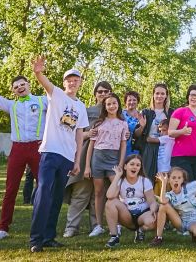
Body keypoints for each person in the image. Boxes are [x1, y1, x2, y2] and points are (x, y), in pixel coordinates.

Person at [0, 70, 49, 241]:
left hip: (38, 147)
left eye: (22, 84)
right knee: (11, 189)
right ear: (13, 91)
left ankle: (45, 227)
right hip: (18, 149)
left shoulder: (43, 100)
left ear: (29, 85)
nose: (20, 87)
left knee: (44, 188)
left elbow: (60, 107)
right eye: (16, 86)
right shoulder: (11, 105)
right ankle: (3, 228)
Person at [28, 59, 89, 253]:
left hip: (67, 156)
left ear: (80, 83)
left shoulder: (81, 106)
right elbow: (44, 82)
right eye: (69, 80)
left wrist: (77, 160)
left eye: (76, 80)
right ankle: (35, 239)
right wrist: (38, 73)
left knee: (56, 198)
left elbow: (79, 134)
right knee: (44, 192)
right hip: (50, 152)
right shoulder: (57, 94)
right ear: (64, 83)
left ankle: (48, 237)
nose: (72, 82)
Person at [63, 79, 111, 238]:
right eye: (100, 92)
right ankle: (71, 227)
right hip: (84, 157)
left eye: (106, 91)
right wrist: (87, 134)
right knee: (81, 193)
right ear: (95, 94)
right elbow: (68, 131)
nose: (103, 94)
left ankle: (97, 225)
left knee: (99, 195)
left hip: (104, 159)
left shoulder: (115, 113)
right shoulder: (84, 110)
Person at [85, 91, 130, 237]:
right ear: (105, 106)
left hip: (113, 159)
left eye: (114, 103)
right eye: (108, 104)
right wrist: (87, 166)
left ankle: (117, 223)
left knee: (116, 193)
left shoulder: (123, 124)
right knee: (98, 193)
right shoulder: (98, 123)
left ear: (118, 105)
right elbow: (91, 146)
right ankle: (98, 225)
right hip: (97, 158)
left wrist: (121, 163)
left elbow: (123, 145)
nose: (111, 106)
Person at [152, 166, 196, 244]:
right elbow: (163, 201)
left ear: (182, 180)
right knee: (163, 206)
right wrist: (164, 183)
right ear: (169, 180)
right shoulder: (170, 194)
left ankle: (194, 233)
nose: (176, 180)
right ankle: (158, 237)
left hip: (193, 220)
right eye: (173, 177)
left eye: (179, 178)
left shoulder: (189, 187)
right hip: (180, 222)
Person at [103, 154, 156, 247]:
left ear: (140, 168)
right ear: (125, 166)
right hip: (127, 215)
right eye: (132, 164)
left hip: (142, 215)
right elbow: (109, 195)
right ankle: (114, 236)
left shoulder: (144, 181)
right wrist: (117, 176)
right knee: (110, 202)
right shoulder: (121, 181)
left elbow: (152, 201)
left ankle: (141, 231)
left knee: (151, 222)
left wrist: (153, 210)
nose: (135, 167)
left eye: (138, 165)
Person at [168, 84, 196, 185]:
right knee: (186, 185)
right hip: (180, 157)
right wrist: (182, 131)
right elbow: (170, 132)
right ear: (188, 96)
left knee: (193, 186)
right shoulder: (180, 112)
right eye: (192, 95)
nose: (194, 97)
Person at [139, 83, 170, 181]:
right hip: (148, 148)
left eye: (162, 93)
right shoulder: (146, 112)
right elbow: (137, 135)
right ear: (153, 95)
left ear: (166, 96)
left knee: (162, 180)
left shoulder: (171, 113)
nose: (159, 96)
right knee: (147, 178)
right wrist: (142, 126)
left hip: (165, 150)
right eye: (157, 93)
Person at [122, 91, 145, 156]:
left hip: (135, 148)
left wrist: (142, 126)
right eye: (129, 100)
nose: (132, 102)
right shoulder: (120, 114)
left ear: (137, 102)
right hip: (121, 146)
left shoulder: (141, 116)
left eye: (134, 100)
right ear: (125, 102)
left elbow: (139, 134)